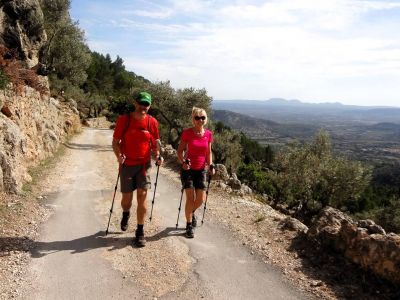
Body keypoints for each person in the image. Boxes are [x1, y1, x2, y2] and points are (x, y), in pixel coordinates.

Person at [112, 91, 163, 247]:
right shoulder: (124, 120)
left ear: (150, 106)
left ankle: (140, 231)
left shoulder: (152, 122)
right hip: (127, 165)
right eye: (141, 103)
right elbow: (115, 142)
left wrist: (158, 155)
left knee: (142, 196)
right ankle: (126, 213)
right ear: (135, 103)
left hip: (144, 166)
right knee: (126, 200)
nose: (143, 107)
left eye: (146, 104)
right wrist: (118, 155)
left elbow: (156, 144)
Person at [177, 107, 215, 238]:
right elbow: (180, 151)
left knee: (201, 199)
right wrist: (183, 162)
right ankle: (188, 226)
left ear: (206, 119)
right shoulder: (187, 133)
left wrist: (210, 165)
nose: (200, 120)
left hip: (201, 170)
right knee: (190, 198)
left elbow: (208, 152)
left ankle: (190, 212)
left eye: (203, 117)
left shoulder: (208, 134)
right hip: (188, 170)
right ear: (193, 119)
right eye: (197, 118)